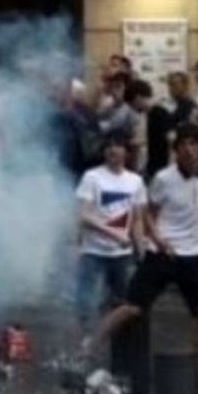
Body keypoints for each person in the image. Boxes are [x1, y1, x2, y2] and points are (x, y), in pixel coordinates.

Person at [83, 126, 198, 363]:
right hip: (162, 252)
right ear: (176, 150)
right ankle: (88, 347)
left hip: (193, 253)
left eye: (194, 144)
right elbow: (149, 214)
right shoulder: (164, 179)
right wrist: (159, 240)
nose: (190, 151)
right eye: (185, 145)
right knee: (132, 307)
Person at [74, 135, 147, 335]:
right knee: (86, 303)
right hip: (93, 251)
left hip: (121, 255)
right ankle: (86, 344)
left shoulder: (135, 181)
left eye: (118, 146)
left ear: (126, 152)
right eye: (109, 146)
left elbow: (137, 219)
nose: (113, 150)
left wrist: (140, 250)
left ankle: (116, 348)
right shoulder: (92, 177)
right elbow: (83, 216)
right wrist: (115, 235)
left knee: (123, 302)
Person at [147, 71, 197, 179]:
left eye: (176, 84)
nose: (172, 87)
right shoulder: (161, 106)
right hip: (159, 154)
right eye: (170, 84)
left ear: (185, 85)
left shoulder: (191, 106)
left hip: (181, 153)